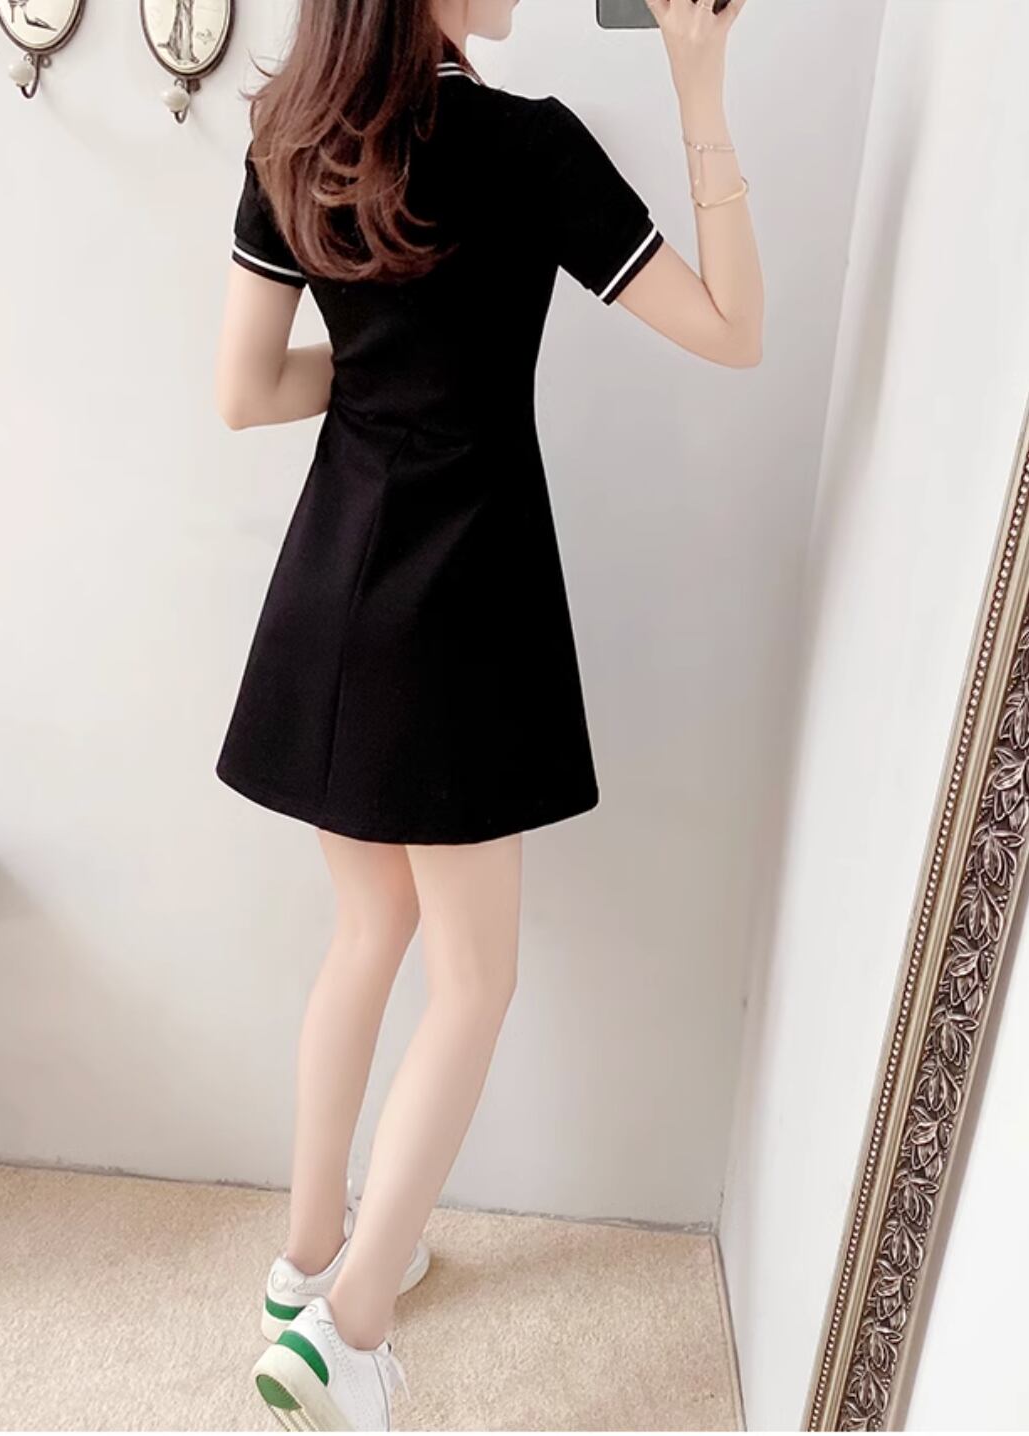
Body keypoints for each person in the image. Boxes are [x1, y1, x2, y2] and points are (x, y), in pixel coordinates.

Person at [213, 0, 760, 1426]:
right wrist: (700, 92)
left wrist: (379, 371)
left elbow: (245, 391)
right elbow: (734, 329)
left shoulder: (293, 140)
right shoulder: (528, 147)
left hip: (333, 587)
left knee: (367, 931)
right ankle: (348, 1328)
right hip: (458, 605)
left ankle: (305, 1259)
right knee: (474, 979)